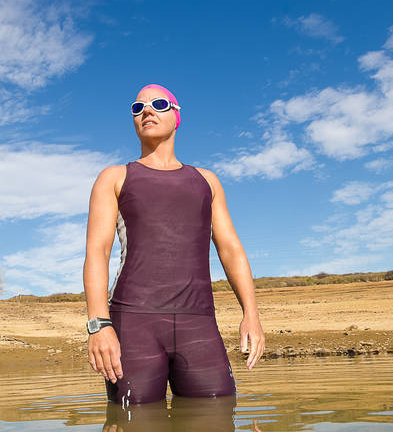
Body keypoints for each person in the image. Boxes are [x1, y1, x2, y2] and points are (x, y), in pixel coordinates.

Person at [83, 84, 265, 405]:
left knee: (216, 422)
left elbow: (230, 248)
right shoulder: (114, 177)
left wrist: (251, 314)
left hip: (199, 323)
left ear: (177, 116)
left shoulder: (206, 181)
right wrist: (98, 325)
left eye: (159, 103)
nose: (147, 111)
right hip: (133, 321)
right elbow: (97, 252)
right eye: (137, 108)